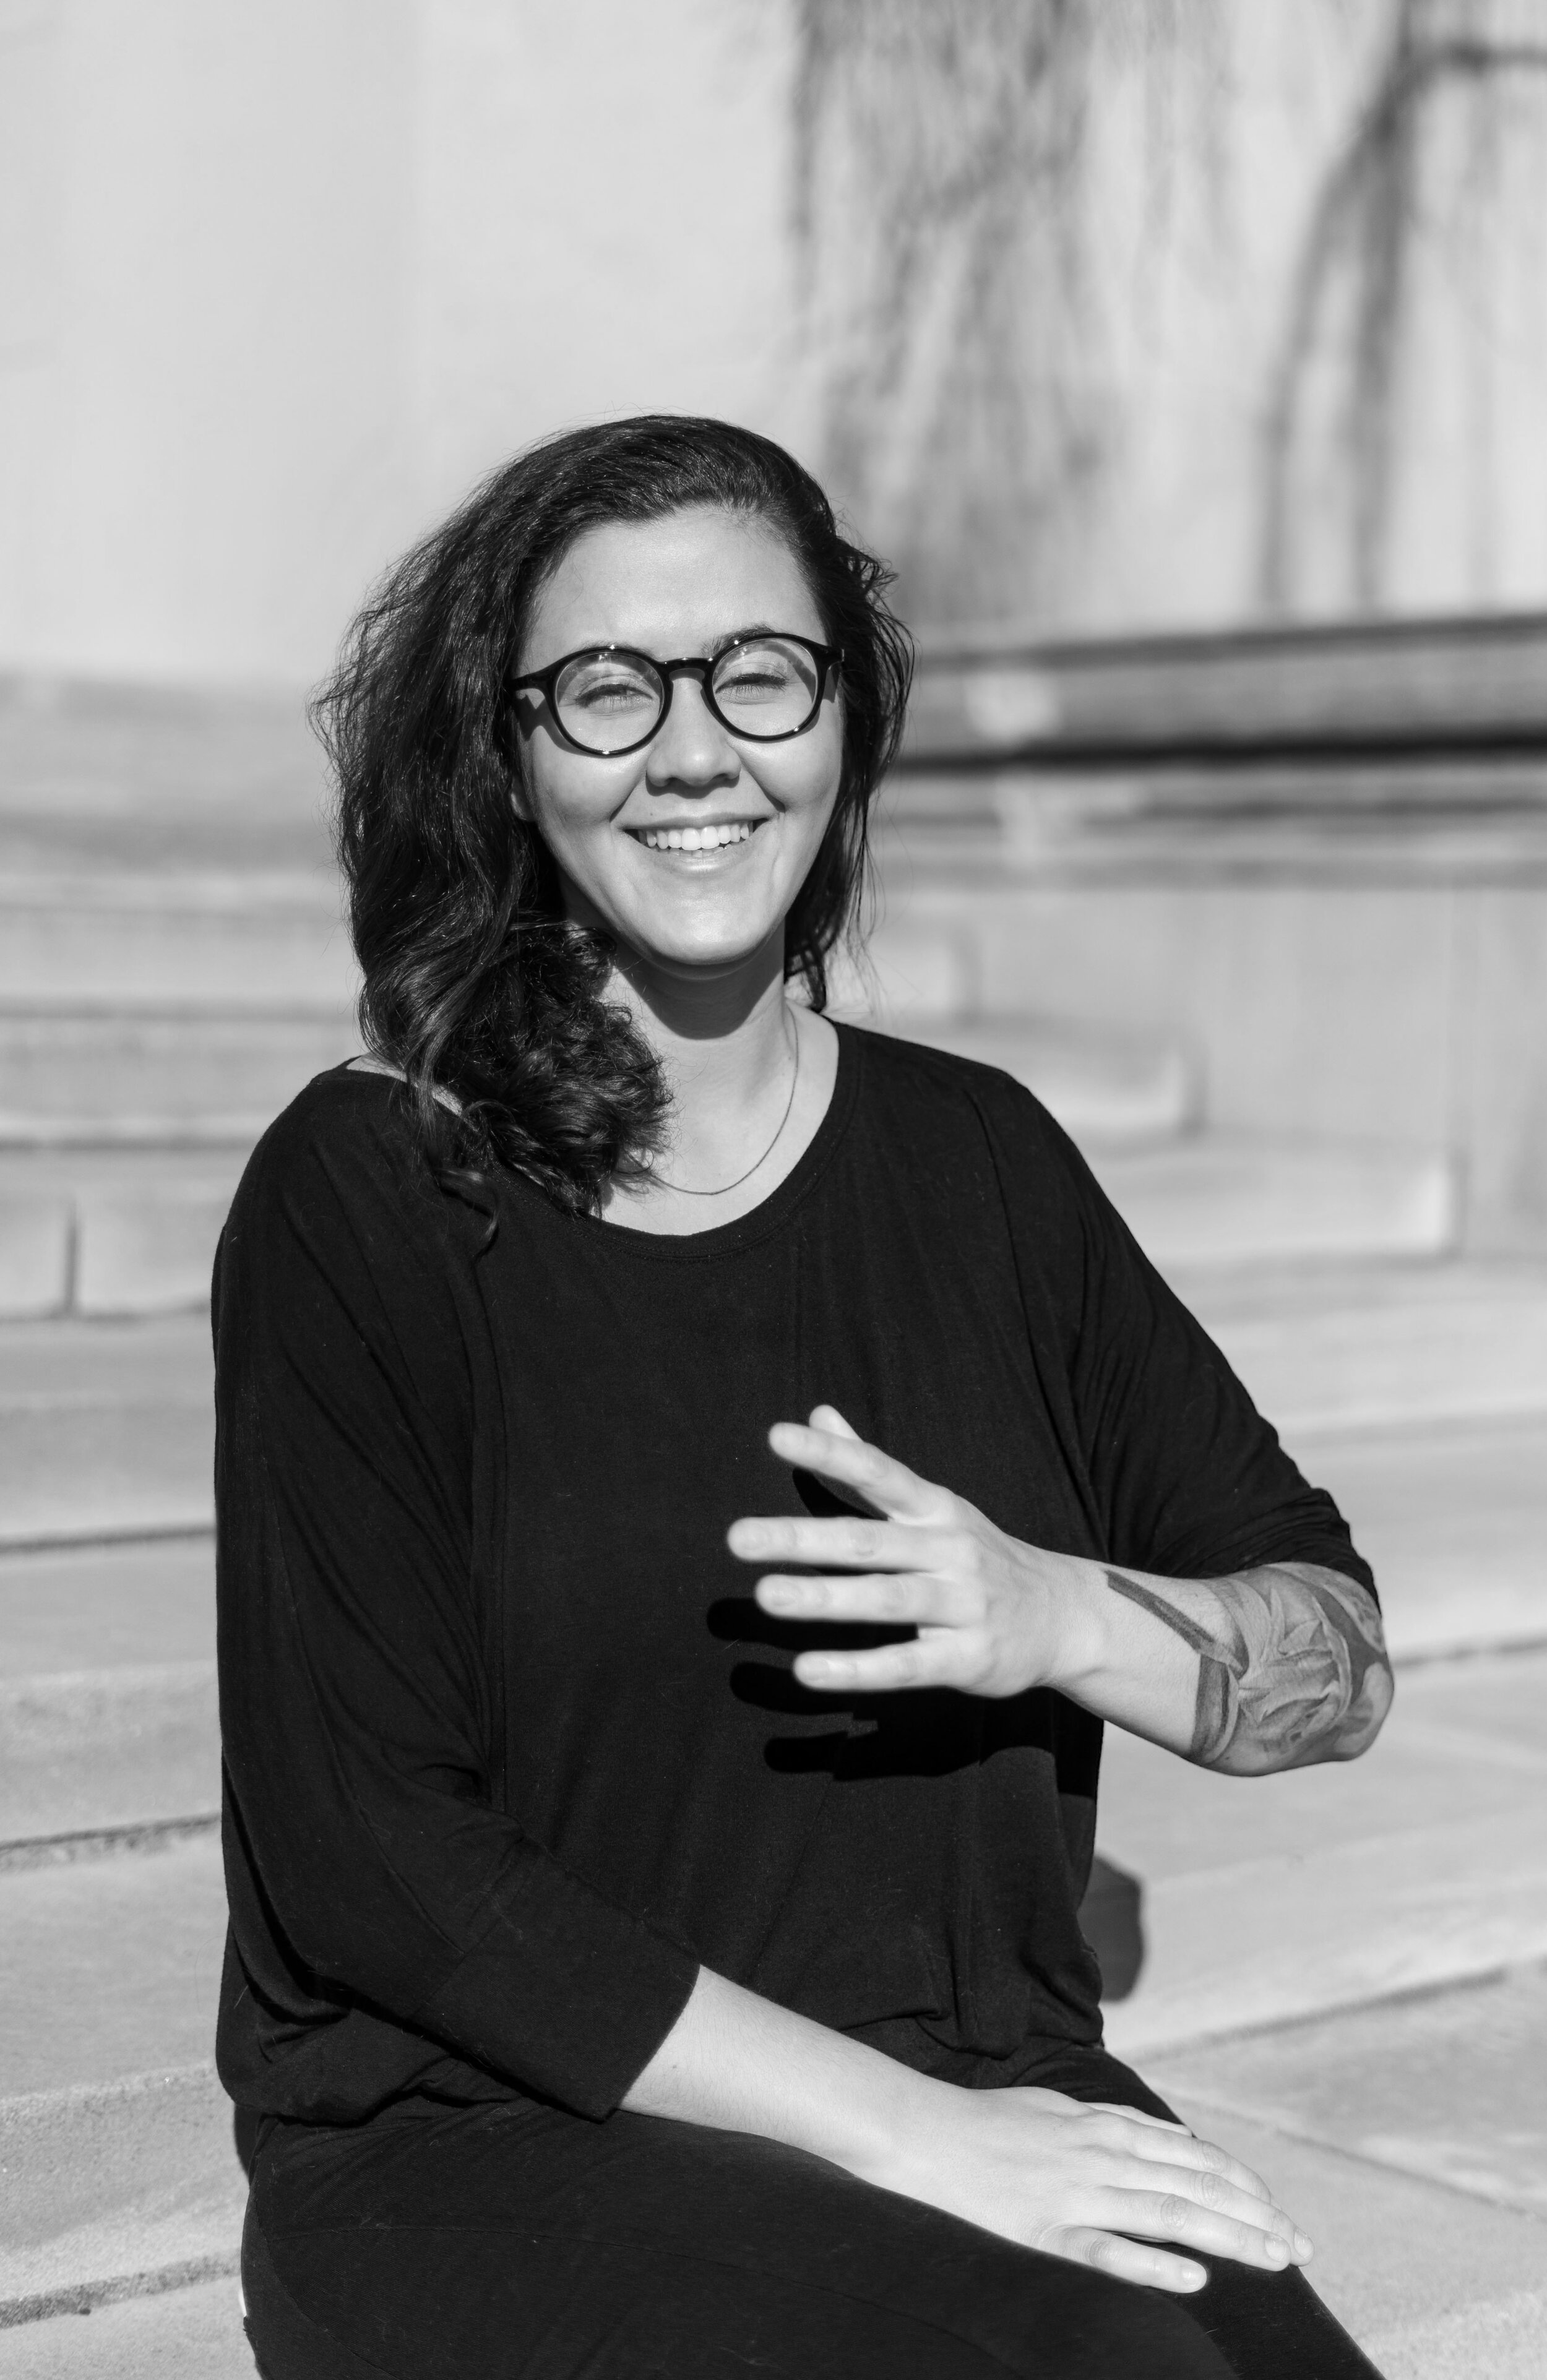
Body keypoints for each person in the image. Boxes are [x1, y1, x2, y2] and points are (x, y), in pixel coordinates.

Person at [217, 415, 1393, 2379]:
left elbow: (1334, 1659)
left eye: (757, 674)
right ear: (506, 759)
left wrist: (1062, 1614)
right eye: (606, 691)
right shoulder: (375, 1192)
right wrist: (921, 2141)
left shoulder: (981, 1163)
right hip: (494, 2136)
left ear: (840, 720)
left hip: (982, 2077)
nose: (695, 748)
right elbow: (376, 1864)